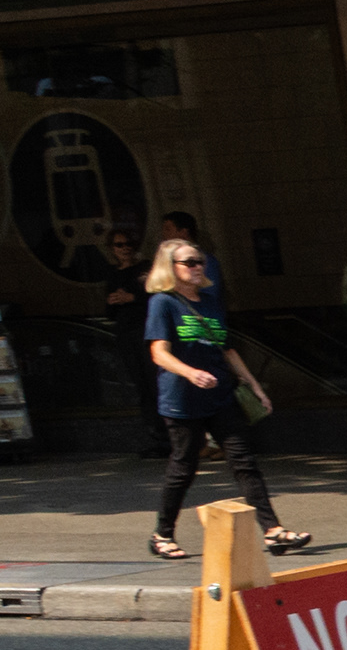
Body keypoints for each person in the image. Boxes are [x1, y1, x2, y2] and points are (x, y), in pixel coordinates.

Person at [144, 235, 306, 558]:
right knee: (184, 467)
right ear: (170, 268)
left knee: (244, 461)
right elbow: (159, 353)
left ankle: (273, 531)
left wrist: (254, 385)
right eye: (189, 262)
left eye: (200, 262)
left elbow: (227, 350)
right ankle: (162, 534)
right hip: (183, 400)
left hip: (219, 396)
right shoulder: (163, 303)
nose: (197, 267)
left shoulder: (210, 301)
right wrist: (190, 373)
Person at [101, 226, 163, 458]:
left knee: (154, 382)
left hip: (145, 331)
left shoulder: (144, 268)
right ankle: (156, 436)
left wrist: (132, 297)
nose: (125, 249)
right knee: (142, 385)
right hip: (126, 334)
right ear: (111, 249)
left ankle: (169, 436)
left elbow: (155, 295)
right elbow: (109, 312)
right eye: (119, 245)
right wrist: (113, 301)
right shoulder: (113, 274)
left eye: (128, 244)